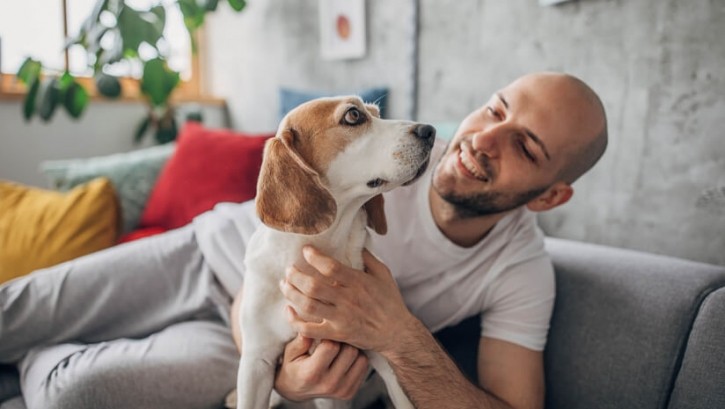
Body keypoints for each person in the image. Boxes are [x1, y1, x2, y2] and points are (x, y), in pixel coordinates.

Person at [0, 71, 607, 409]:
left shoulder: (522, 269)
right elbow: (264, 282)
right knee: (18, 309)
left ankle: (39, 358)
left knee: (73, 394)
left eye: (525, 146)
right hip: (211, 255)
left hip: (238, 345)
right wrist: (277, 364)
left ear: (551, 195)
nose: (483, 140)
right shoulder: (399, 150)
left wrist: (396, 335)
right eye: (494, 109)